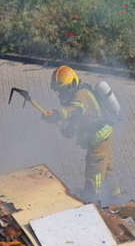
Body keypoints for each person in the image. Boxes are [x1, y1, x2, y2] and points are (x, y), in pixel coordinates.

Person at [43, 66, 121, 205]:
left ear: (72, 84)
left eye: (62, 89)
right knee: (107, 166)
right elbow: (82, 117)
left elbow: (76, 111)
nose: (60, 94)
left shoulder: (81, 95)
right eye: (58, 90)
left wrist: (57, 114)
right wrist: (70, 128)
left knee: (95, 169)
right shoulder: (78, 91)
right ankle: (115, 197)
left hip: (98, 136)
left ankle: (92, 200)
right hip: (102, 131)